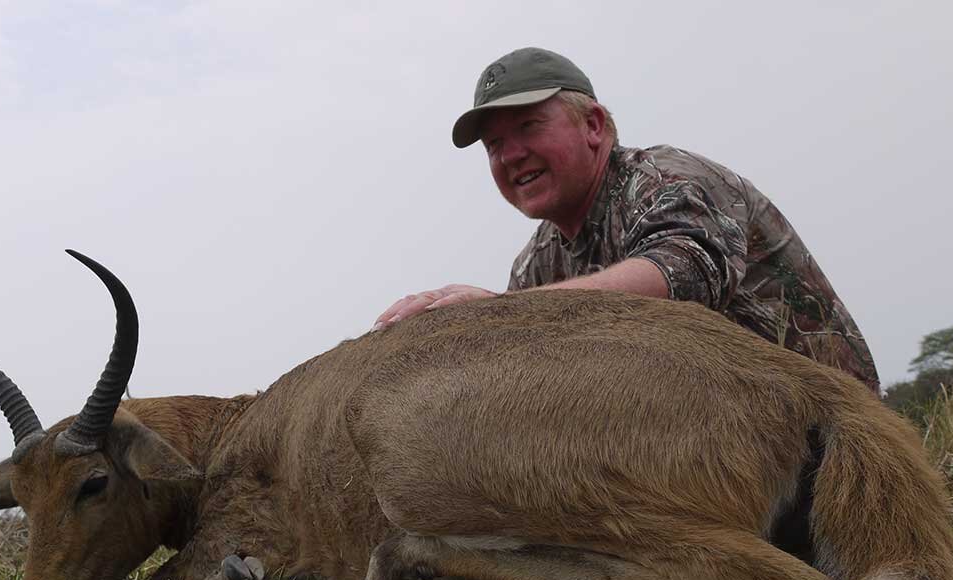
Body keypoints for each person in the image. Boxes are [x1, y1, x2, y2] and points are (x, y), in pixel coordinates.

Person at [372, 47, 881, 392]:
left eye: (528, 126)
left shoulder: (667, 177)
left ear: (593, 125)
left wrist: (499, 312)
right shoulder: (536, 263)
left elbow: (683, 274)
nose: (511, 155)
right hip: (693, 433)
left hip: (824, 430)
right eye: (495, 145)